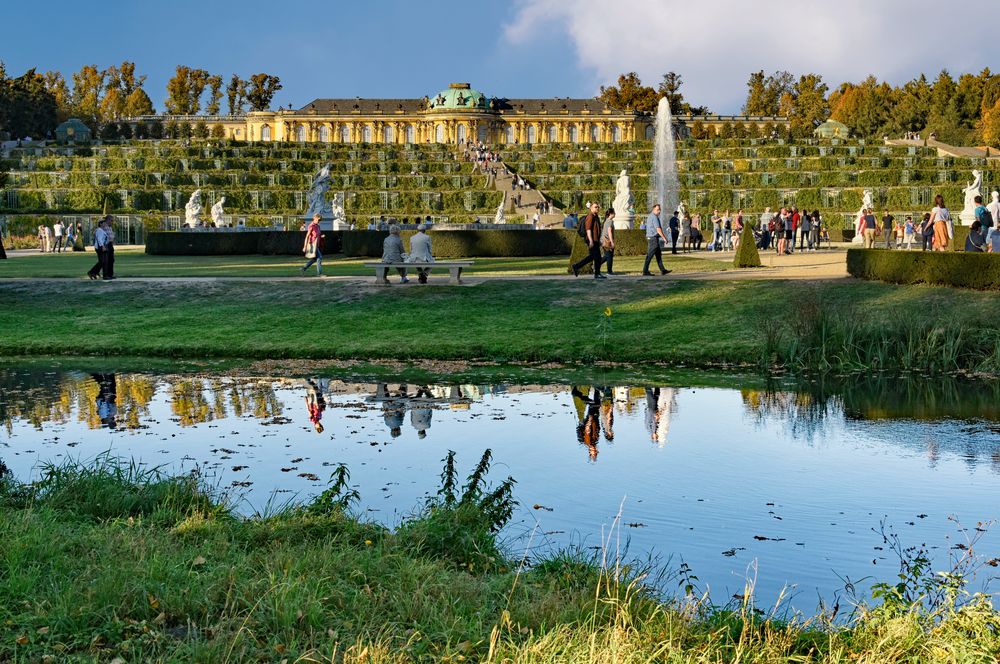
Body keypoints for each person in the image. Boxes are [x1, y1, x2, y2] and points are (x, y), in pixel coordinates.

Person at [571, 202, 605, 279]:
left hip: (595, 240)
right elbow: (588, 229)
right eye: (595, 207)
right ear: (591, 208)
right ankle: (597, 274)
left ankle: (576, 266)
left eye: (598, 207)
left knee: (594, 256)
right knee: (597, 257)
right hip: (592, 240)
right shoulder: (590, 216)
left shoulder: (596, 216)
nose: (597, 208)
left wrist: (598, 240)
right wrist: (591, 240)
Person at [642, 203, 671, 276]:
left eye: (660, 210)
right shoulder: (654, 217)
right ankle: (645, 271)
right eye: (658, 210)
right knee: (650, 255)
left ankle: (663, 270)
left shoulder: (650, 216)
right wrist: (664, 238)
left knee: (658, 255)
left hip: (652, 238)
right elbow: (658, 229)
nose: (659, 211)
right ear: (653, 210)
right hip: (653, 238)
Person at [601, 209, 616, 275]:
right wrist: (612, 242)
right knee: (609, 256)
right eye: (614, 212)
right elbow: (609, 231)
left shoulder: (606, 220)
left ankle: (597, 264)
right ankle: (609, 271)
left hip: (604, 241)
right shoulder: (610, 221)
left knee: (607, 256)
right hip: (607, 241)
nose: (615, 214)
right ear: (611, 214)